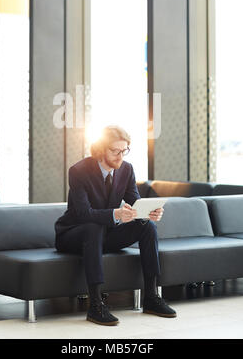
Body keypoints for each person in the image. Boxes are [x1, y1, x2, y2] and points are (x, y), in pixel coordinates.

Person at [55, 125, 176, 325]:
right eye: (115, 151)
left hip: (104, 235)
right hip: (73, 235)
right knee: (93, 227)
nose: (121, 156)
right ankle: (95, 306)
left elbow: (135, 204)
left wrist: (148, 213)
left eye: (124, 150)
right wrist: (116, 214)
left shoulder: (126, 170)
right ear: (102, 149)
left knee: (147, 227)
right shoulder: (78, 171)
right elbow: (83, 213)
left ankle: (151, 297)